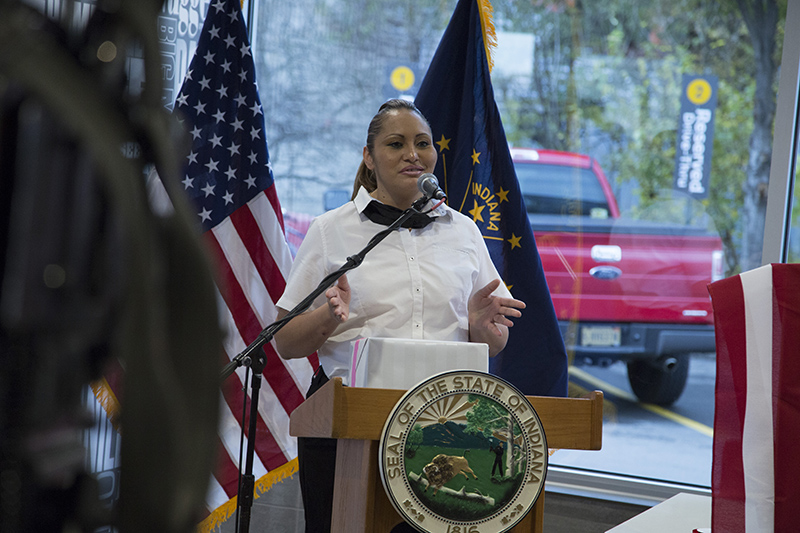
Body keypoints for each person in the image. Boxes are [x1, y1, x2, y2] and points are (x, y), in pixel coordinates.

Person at [274, 98, 526, 533]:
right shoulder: (331, 231)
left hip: (445, 430)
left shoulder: (463, 231)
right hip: (350, 424)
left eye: (422, 143)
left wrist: (483, 329)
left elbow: (493, 336)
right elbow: (284, 342)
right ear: (369, 158)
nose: (413, 154)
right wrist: (327, 319)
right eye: (396, 143)